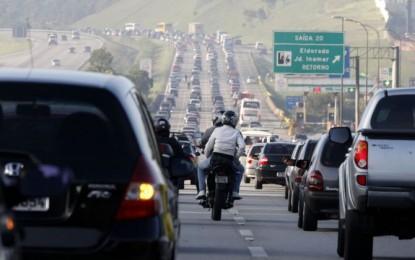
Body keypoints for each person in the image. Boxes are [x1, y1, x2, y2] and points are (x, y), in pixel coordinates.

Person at [196, 110, 245, 200]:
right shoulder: (236, 132)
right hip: (229, 160)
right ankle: (234, 192)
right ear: (234, 121)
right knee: (241, 169)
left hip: (215, 159)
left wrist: (207, 157)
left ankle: (202, 191)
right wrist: (236, 157)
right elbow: (242, 147)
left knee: (200, 167)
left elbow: (208, 146)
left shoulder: (217, 130)